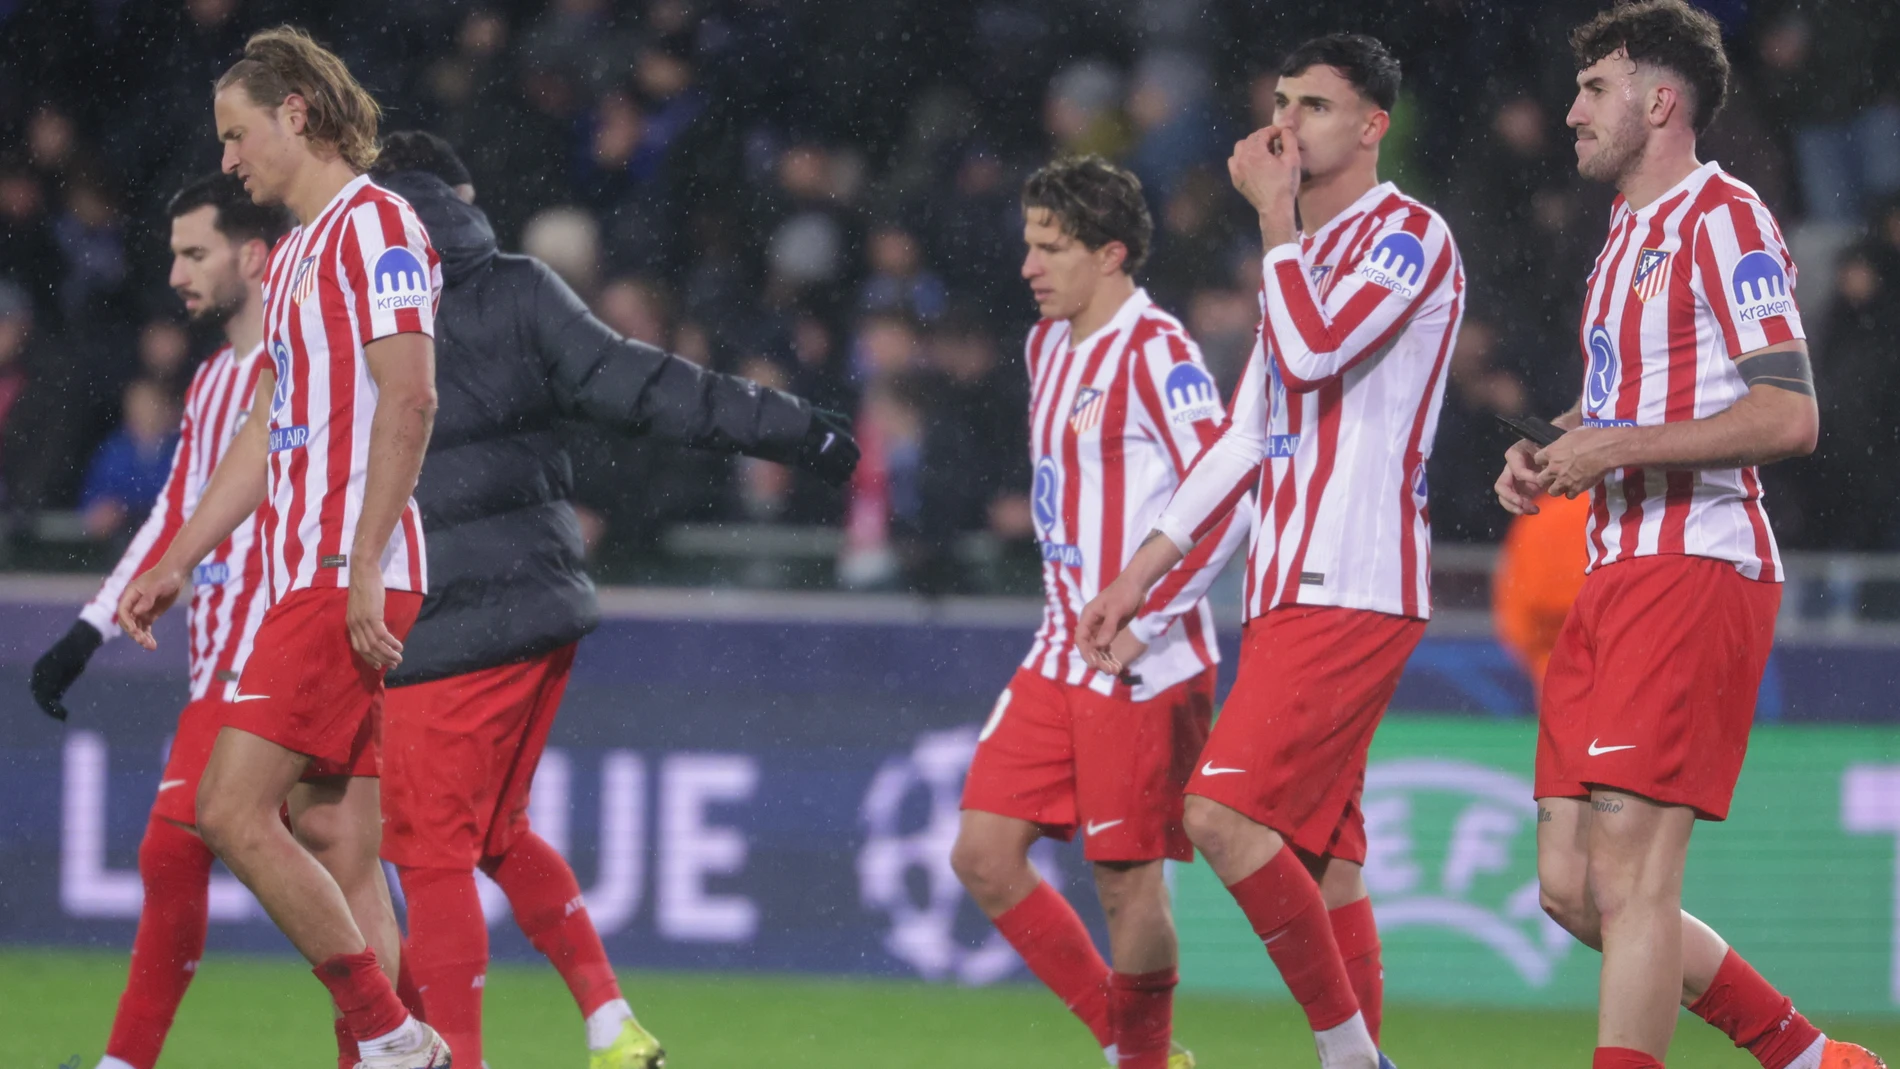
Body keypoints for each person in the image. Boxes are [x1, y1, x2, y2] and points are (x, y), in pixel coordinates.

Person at [367, 130, 858, 1069]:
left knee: (429, 853)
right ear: (458, 200)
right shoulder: (518, 287)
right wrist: (789, 426)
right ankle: (609, 1023)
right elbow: (644, 384)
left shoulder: (353, 305)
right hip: (541, 604)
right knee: (494, 834)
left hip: (443, 617)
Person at [1491, 5, 1885, 1069]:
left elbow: (1787, 414)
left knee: (1631, 882)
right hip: (1610, 571)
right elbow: (1630, 400)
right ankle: (1809, 1058)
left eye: (1593, 91)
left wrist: (1613, 449)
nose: (1570, 112)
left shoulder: (1727, 218)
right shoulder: (1623, 234)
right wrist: (1559, 445)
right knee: (1572, 890)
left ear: (1658, 102)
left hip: (1697, 559)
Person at [1080, 34, 1464, 1069]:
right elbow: (1249, 435)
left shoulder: (1405, 237)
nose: (1285, 125)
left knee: (1216, 814)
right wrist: (1141, 573)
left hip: (1356, 577)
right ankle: (1358, 1053)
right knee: (1326, 857)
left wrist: (1271, 219)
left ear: (1372, 126)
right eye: (1281, 102)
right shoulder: (1308, 256)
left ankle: (1350, 1055)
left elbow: (1313, 348)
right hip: (1289, 580)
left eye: (1316, 107)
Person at [117, 27, 450, 1069]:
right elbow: (270, 430)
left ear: (295, 113)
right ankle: (387, 1049)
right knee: (335, 840)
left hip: (345, 578)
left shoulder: (379, 227)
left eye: (236, 134)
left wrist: (359, 564)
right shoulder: (302, 250)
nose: (227, 160)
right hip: (305, 576)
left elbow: (413, 395)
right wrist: (178, 555)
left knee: (228, 807)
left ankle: (393, 1037)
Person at [948, 155, 1246, 1069]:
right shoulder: (1047, 346)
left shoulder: (1160, 353)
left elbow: (1229, 493)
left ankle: (1141, 1059)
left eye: (1052, 248)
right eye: (1029, 245)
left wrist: (1150, 617)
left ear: (1111, 254)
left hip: (1144, 657)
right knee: (984, 855)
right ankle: (1135, 1046)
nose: (1030, 266)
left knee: (1126, 885)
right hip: (1059, 643)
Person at [28, 171, 290, 1069]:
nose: (176, 273)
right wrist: (88, 631)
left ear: (252, 256)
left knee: (182, 853)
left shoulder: (305, 367)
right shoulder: (217, 378)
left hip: (275, 657)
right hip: (222, 661)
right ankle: (397, 1040)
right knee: (313, 871)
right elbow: (175, 513)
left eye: (194, 253)